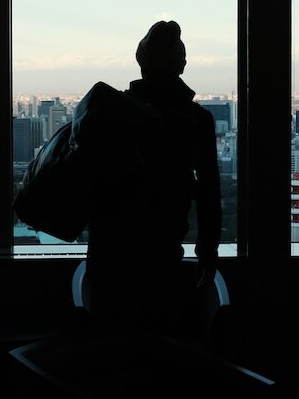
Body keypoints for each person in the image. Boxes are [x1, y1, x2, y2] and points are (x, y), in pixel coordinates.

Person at [83, 20, 223, 338]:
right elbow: (209, 191)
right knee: (158, 344)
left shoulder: (112, 110)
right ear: (182, 65)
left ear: (141, 62)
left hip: (107, 248)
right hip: (162, 246)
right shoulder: (196, 119)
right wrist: (207, 251)